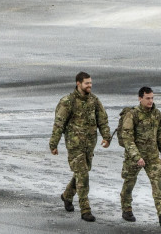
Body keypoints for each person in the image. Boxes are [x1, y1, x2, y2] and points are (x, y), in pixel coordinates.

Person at [49, 71, 112, 222]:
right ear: (78, 83)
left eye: (90, 83)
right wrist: (54, 143)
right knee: (83, 175)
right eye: (87, 83)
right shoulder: (68, 101)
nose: (90, 85)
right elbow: (59, 124)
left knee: (81, 173)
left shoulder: (94, 101)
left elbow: (102, 120)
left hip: (89, 145)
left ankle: (67, 195)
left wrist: (106, 136)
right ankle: (85, 210)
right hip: (74, 145)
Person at [120, 87, 161, 226]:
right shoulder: (132, 115)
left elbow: (160, 135)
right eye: (148, 98)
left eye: (152, 98)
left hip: (152, 156)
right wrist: (137, 157)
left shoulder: (156, 114)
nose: (150, 101)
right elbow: (127, 138)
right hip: (134, 157)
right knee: (129, 184)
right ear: (140, 98)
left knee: (158, 184)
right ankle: (126, 209)